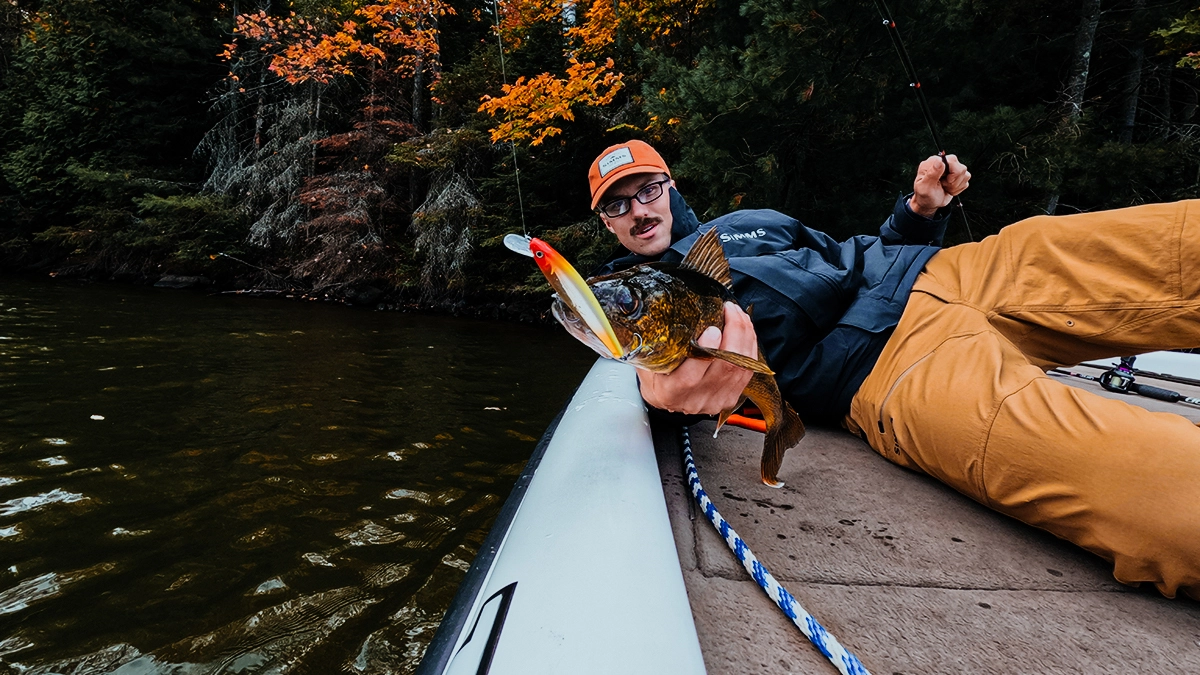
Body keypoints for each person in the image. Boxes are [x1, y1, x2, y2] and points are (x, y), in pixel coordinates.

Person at [586, 139, 1200, 600]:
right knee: (1157, 497)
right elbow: (646, 376)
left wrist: (919, 211)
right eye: (617, 205)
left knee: (1176, 243)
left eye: (647, 189)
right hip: (890, 370)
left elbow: (847, 247)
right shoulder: (636, 296)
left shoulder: (756, 223)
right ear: (607, 225)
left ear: (671, 187)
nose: (638, 211)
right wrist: (660, 389)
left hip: (943, 270)